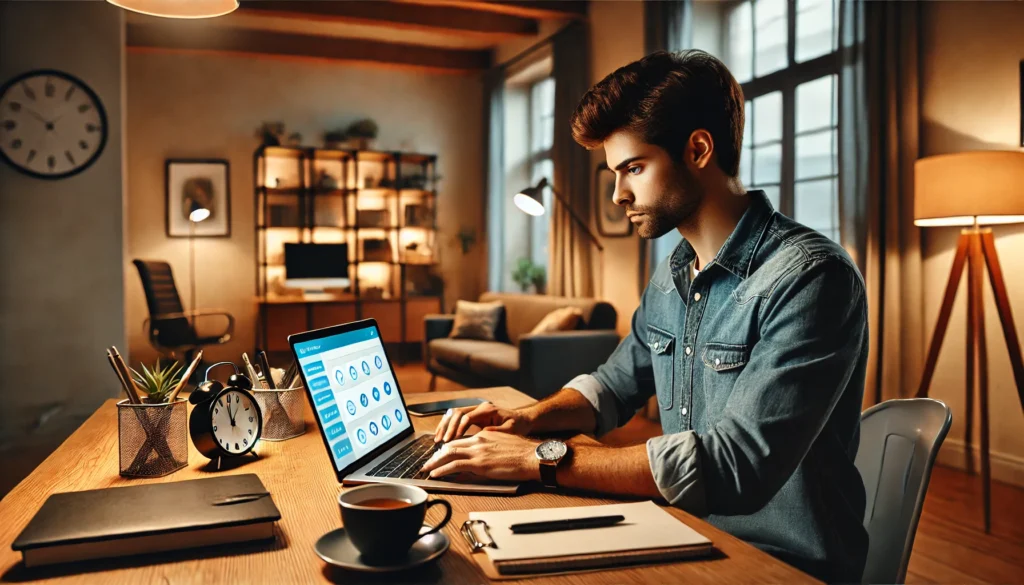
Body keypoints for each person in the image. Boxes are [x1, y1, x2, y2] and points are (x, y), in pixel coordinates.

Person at [420, 50, 868, 583]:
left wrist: (537, 458)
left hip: (780, 564)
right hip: (682, 531)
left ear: (698, 149)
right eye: (615, 172)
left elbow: (735, 464)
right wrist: (526, 420)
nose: (617, 193)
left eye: (634, 168)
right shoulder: (672, 272)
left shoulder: (811, 277)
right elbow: (612, 386)